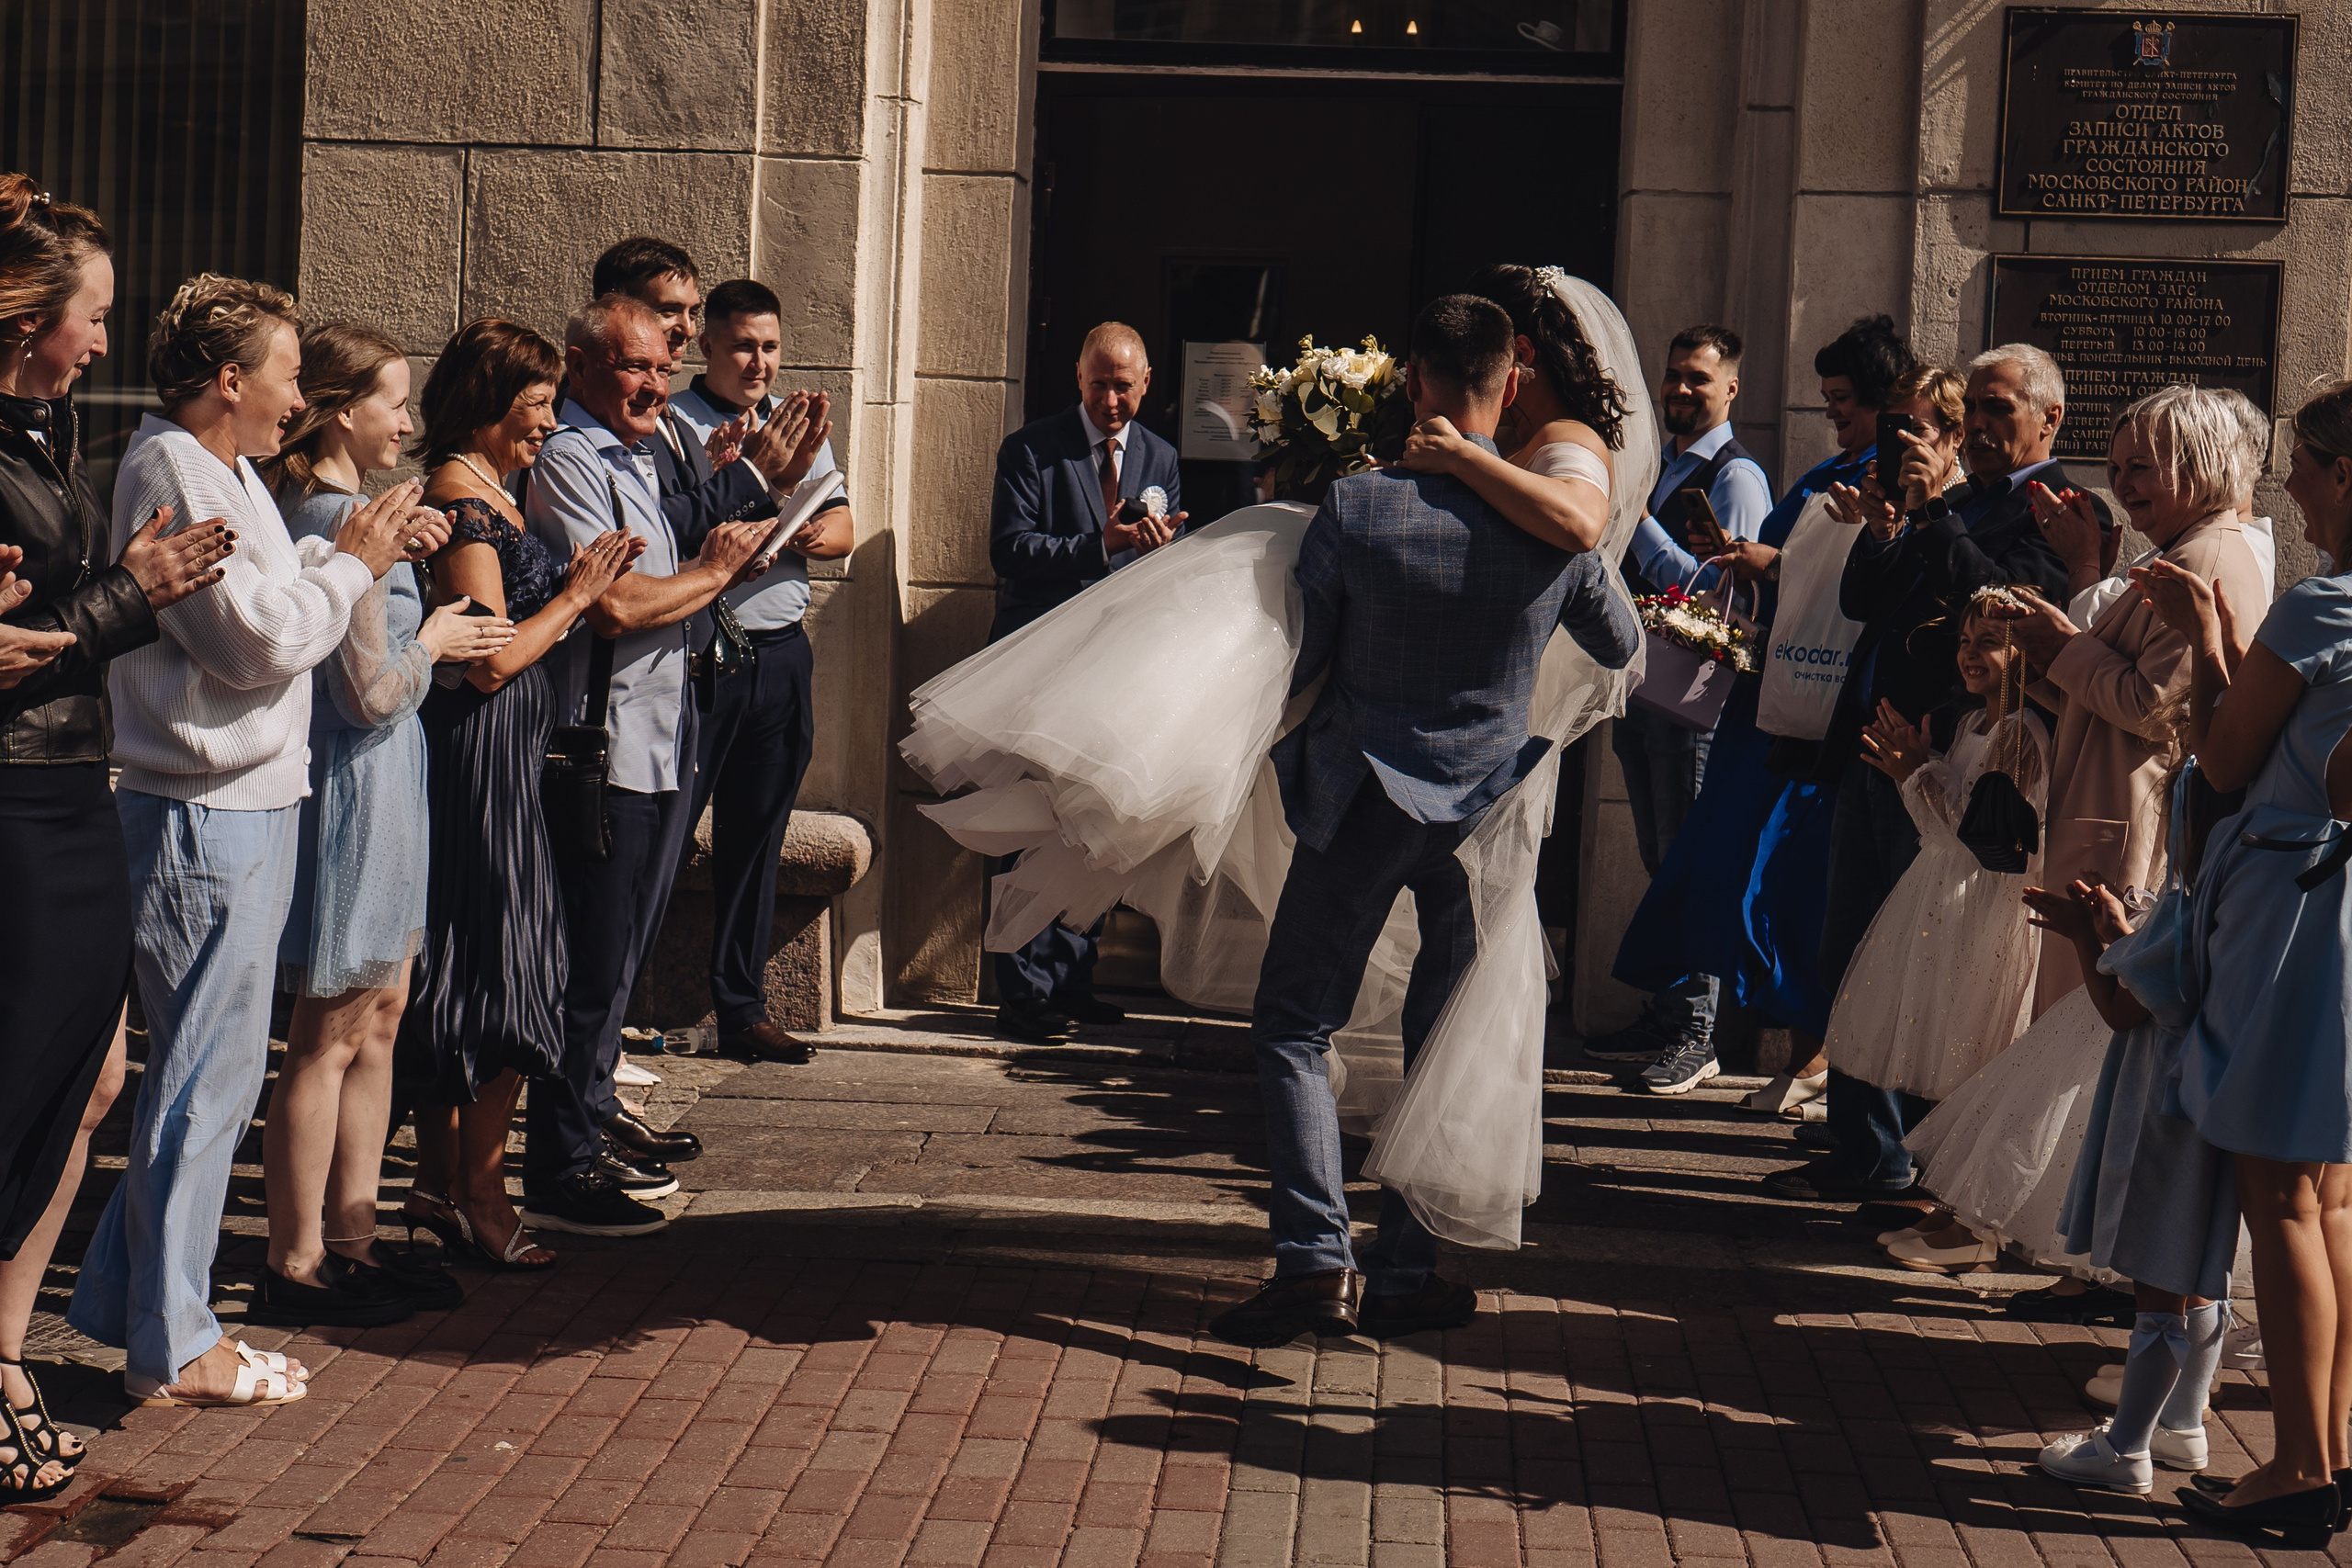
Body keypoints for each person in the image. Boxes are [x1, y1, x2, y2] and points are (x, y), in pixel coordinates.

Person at [1204, 294, 1639, 1349]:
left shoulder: (1358, 508)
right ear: (1509, 381)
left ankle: (1314, 1264)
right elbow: (1622, 641)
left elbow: (1302, 659)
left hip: (1363, 799)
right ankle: (1400, 1270)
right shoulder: (1545, 518)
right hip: (1482, 811)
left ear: (1414, 381)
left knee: (1293, 1023)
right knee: (1435, 1039)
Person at [69, 274, 442, 1407]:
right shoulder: (169, 468)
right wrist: (354, 565)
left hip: (252, 803)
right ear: (230, 381)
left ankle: (141, 1307)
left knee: (216, 1079)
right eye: (285, 375)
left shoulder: (222, 467)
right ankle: (174, 1345)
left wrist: (333, 573)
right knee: (200, 1083)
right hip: (200, 811)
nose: (297, 398)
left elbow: (281, 620)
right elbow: (256, 645)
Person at [0, 177, 232, 1494]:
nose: (103, 339)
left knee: (84, 1084)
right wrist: (128, 591)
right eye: (88, 315)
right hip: (19, 794)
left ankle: (7, 1354)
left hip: (73, 782)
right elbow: (27, 646)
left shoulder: (47, 432)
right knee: (32, 1084)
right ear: (28, 318)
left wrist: (111, 596)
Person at [1778, 347, 2086, 1208]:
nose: (1977, 429)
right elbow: (1863, 601)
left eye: (1994, 411)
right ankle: (1863, 1148)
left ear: (2047, 420)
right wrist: (1887, 525)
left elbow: (2007, 613)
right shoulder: (1948, 503)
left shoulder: (2057, 512)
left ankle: (1920, 1160)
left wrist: (1941, 510)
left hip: (1958, 767)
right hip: (1880, 753)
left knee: (1928, 966)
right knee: (1854, 955)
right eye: (1970, 413)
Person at [257, 323, 512, 1326]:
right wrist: (441, 636)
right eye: (393, 404)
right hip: (357, 779)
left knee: (382, 1016)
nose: (408, 422)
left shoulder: (357, 511)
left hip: (390, 778)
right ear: (339, 411)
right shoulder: (332, 519)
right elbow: (366, 690)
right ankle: (298, 1257)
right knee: (328, 1028)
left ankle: (351, 1241)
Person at [2134, 378, 2352, 1546]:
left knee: (2277, 1199)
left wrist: (2213, 639)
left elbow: (2222, 762)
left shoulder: (2322, 612)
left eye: (2308, 469)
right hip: (2349, 906)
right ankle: (2334, 1445)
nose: (2297, 493)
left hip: (2294, 911)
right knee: (2333, 1198)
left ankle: (2300, 1466)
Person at [1616, 318, 1909, 1150]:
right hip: (1779, 697)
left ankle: (1751, 1041)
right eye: (1830, 404)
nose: (1836, 419)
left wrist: (1764, 564)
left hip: (1812, 704)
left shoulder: (1875, 480)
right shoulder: (1831, 468)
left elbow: (1841, 581)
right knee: (1729, 864)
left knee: (1781, 875)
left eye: (1847, 405)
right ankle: (1809, 1051)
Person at [519, 293, 771, 1236]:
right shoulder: (572, 460)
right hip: (602, 747)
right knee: (589, 962)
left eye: (663, 369)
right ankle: (560, 1163)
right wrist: (715, 573)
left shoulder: (641, 452)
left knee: (618, 961)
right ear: (580, 367)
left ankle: (588, 1131)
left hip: (660, 742)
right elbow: (619, 606)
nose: (654, 385)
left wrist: (711, 568)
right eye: (634, 367)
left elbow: (663, 591)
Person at [398, 319, 642, 1268]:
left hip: (498, 753)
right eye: (534, 407)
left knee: (475, 964)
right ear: (487, 406)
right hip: (481, 754)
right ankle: (481, 1195)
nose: (546, 425)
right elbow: (489, 661)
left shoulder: (493, 486)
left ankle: (436, 1186)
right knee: (503, 967)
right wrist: (576, 598)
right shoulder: (463, 501)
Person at [1989, 385, 2270, 1014]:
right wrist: (2035, 656)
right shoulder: (2180, 545)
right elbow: (2108, 699)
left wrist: (2063, 645)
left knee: (2094, 1033)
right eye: (2115, 469)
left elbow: (2158, 710)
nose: (2124, 484)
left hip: (2131, 828)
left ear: (2198, 461)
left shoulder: (2207, 556)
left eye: (2140, 467)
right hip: (2107, 810)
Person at [1822, 587, 2049, 1269]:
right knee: (1950, 1060)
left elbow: (1977, 835)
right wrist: (1919, 765)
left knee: (1978, 1060)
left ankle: (1976, 1224)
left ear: (2024, 655)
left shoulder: (2021, 732)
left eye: (1989, 641)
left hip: (1987, 911)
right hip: (1946, 903)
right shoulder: (1971, 723)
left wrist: (1913, 770)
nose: (1970, 653)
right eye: (1965, 639)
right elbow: (1940, 824)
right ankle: (1950, 1209)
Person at [2032, 772, 2241, 1496]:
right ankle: (2184, 1421)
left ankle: (2126, 1447)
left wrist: (2092, 939)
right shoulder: (2249, 909)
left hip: (2164, 1116)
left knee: (2158, 1283)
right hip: (2216, 1114)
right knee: (2200, 1272)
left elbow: (2124, 1010)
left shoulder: (2186, 911)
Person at [1577, 324, 1771, 1091]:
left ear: (1731, 390)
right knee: (1662, 858)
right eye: (1673, 377)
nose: (1680, 390)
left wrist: (1636, 523)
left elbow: (1724, 595)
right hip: (1648, 687)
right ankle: (1667, 1010)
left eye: (1698, 378)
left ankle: (1700, 1030)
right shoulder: (1666, 468)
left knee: (1695, 861)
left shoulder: (1737, 477)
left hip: (1698, 695)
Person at [667, 278, 854, 1063]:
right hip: (703, 652)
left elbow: (844, 526)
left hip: (778, 653)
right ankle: (621, 1007)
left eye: (771, 347)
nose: (759, 361)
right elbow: (671, 529)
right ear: (708, 344)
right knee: (667, 834)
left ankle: (741, 1007)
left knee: (758, 835)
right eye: (744, 344)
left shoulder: (793, 426)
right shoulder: (673, 425)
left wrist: (799, 531)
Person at [985, 321, 1186, 1043]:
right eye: (1099, 384)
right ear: (1078, 377)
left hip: (1113, 667)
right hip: (1035, 664)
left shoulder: (1161, 456)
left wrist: (1165, 551)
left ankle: (1073, 977)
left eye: (1123, 386)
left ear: (1146, 382)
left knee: (1091, 826)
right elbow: (1010, 551)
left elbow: (1158, 561)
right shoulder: (1031, 449)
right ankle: (1022, 989)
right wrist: (1101, 544)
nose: (1110, 399)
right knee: (1025, 822)